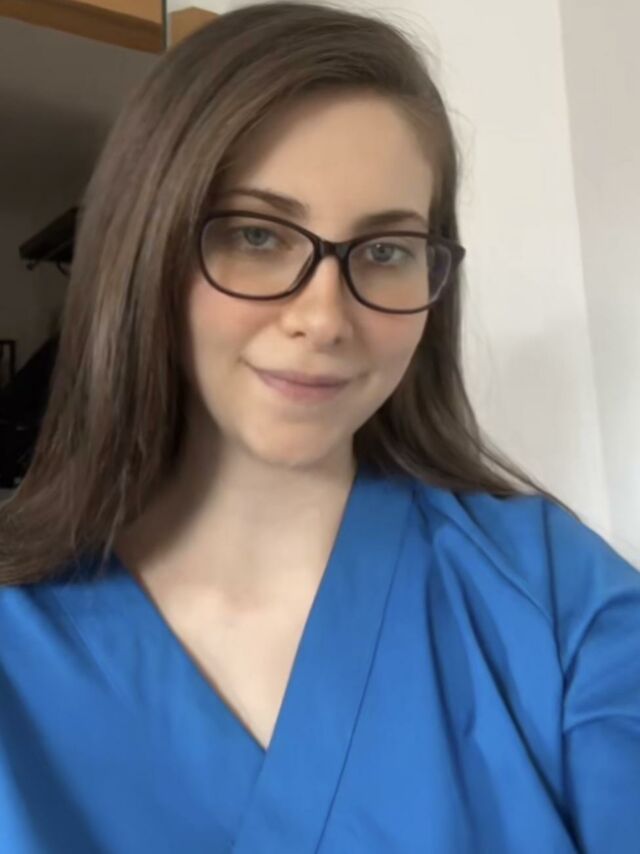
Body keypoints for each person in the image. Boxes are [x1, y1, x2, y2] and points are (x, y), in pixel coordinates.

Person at [0, 3, 638, 852]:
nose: (325, 318)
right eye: (256, 234)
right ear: (144, 250)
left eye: (385, 250)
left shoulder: (559, 601)